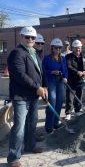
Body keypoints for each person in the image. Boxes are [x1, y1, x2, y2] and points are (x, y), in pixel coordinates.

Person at [7, 26, 48, 167]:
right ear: (21, 37)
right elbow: (20, 75)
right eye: (27, 37)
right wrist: (37, 88)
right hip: (21, 97)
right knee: (19, 127)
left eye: (33, 37)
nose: (30, 39)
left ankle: (30, 146)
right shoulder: (17, 53)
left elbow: (40, 72)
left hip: (33, 96)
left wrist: (44, 86)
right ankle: (13, 158)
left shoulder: (34, 53)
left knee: (32, 123)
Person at [42, 38, 68, 134]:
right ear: (52, 48)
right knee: (52, 102)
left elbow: (65, 70)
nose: (58, 50)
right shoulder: (47, 58)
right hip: (51, 81)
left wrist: (65, 77)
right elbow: (43, 71)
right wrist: (52, 72)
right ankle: (49, 126)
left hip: (60, 81)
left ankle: (55, 123)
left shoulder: (63, 58)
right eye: (56, 48)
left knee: (60, 101)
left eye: (59, 48)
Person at [65, 39, 85, 120]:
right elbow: (69, 66)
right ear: (73, 48)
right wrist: (77, 72)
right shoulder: (68, 57)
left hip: (81, 80)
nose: (78, 49)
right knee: (70, 97)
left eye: (79, 48)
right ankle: (68, 112)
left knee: (79, 96)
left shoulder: (84, 56)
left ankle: (77, 110)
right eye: (76, 48)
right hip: (71, 80)